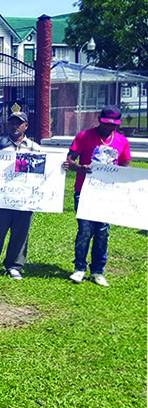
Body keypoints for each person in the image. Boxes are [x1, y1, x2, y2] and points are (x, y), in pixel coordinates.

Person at [65, 105, 131, 286]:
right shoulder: (84, 136)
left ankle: (97, 271)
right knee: (85, 231)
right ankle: (79, 268)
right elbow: (69, 161)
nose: (109, 128)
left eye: (113, 125)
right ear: (99, 120)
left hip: (108, 194)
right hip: (85, 191)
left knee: (102, 231)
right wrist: (80, 168)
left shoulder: (121, 141)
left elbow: (125, 165)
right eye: (105, 123)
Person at [0, 112, 42, 280]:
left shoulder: (35, 148)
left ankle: (14, 266)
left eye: (19, 123)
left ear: (26, 126)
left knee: (20, 233)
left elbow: (42, 174)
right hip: (0, 199)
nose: (15, 126)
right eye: (12, 122)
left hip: (23, 200)